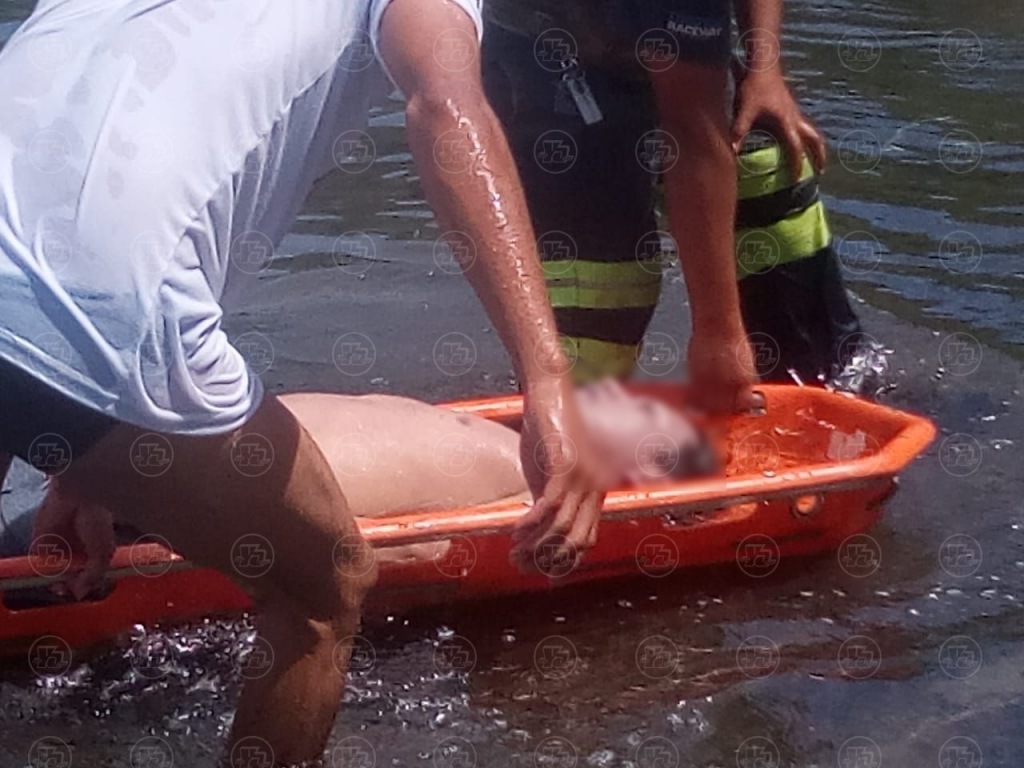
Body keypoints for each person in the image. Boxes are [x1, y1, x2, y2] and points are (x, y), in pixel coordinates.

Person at [0, 0, 756, 764]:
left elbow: (86, 161)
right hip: (94, 304)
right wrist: (548, 376)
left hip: (51, 277)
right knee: (319, 592)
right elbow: (444, 106)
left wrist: (86, 458)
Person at [480, 0, 865, 386]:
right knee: (605, 277)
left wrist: (764, 67)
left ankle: (822, 391)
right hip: (547, 62)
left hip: (664, 51)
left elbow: (695, 130)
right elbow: (691, 135)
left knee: (767, 163)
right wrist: (719, 334)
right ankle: (567, 407)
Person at [41, 379, 719, 583]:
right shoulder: (515, 464)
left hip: (137, 465)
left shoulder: (519, 476)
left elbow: (410, 548)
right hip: (155, 490)